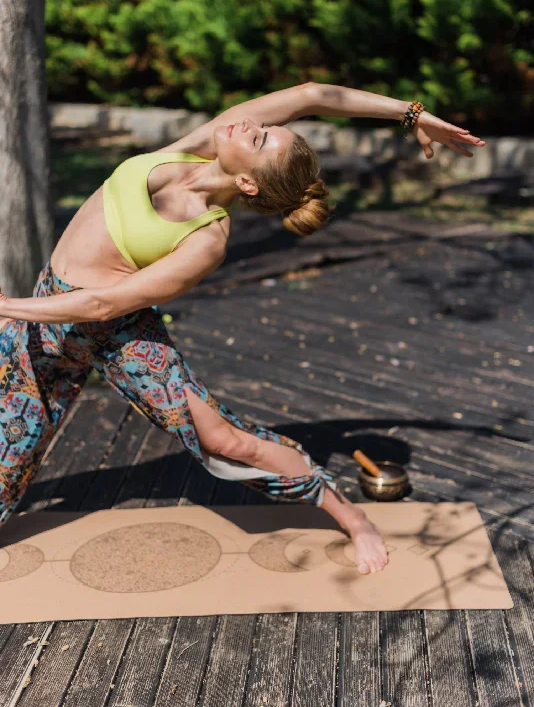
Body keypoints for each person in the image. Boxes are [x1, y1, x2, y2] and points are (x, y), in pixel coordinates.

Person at [0, 83, 484, 574]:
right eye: (265, 128)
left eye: (258, 139)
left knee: (225, 441)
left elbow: (105, 304)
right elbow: (314, 94)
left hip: (111, 329)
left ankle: (352, 517)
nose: (251, 124)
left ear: (249, 184)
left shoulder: (206, 239)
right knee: (8, 453)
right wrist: (410, 113)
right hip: (44, 306)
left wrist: (9, 308)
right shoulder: (201, 144)